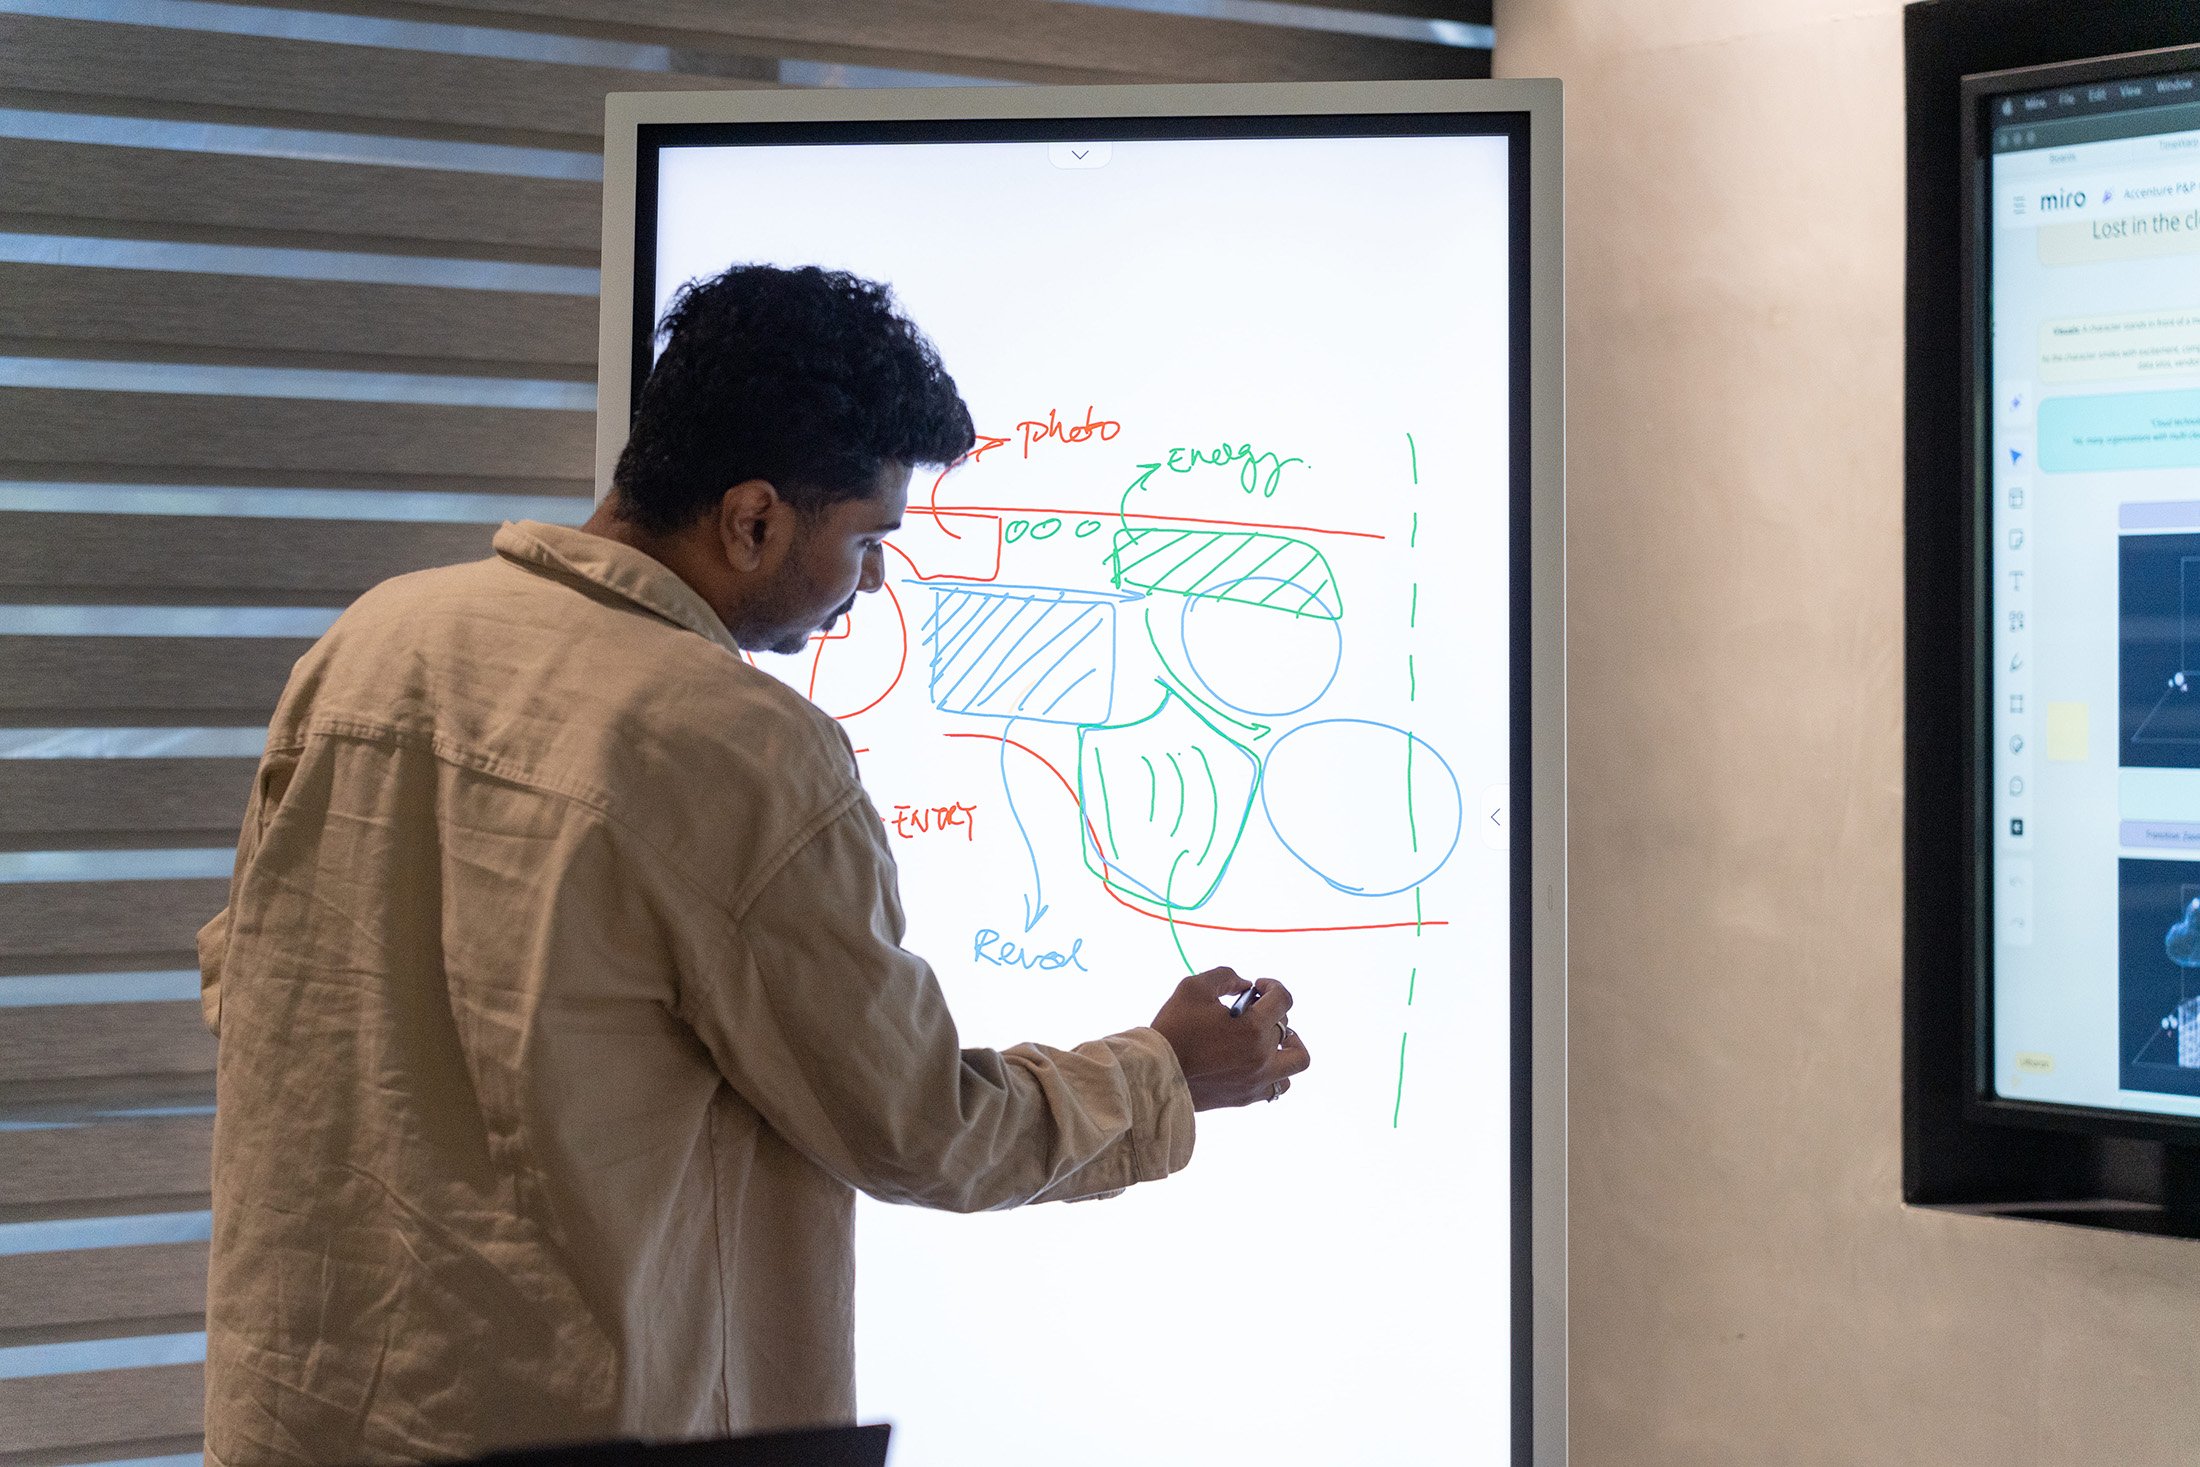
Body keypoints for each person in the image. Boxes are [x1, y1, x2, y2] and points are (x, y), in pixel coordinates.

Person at [196, 264, 1311, 1466]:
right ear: (753, 518)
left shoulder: (375, 638)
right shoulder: (734, 746)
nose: (871, 583)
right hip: (566, 1431)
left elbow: (250, 990)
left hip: (301, 1414)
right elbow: (916, 1126)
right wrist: (1161, 1074)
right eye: (866, 539)